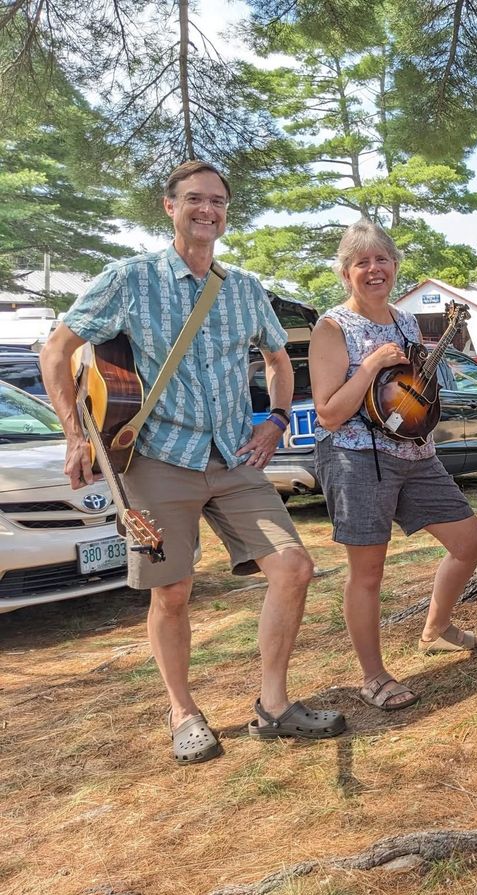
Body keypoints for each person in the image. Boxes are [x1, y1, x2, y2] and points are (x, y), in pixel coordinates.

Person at [40, 160, 345, 765]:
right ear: (170, 207)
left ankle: (274, 707)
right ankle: (183, 712)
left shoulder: (245, 288)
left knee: (294, 567)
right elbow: (57, 349)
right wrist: (76, 434)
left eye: (219, 203)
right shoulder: (129, 279)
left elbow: (280, 360)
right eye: (196, 200)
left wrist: (276, 422)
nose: (208, 211)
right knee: (173, 591)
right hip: (156, 459)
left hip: (234, 458)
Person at [309, 219, 477, 713]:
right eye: (361, 262)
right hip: (356, 458)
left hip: (415, 453)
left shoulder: (406, 322)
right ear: (346, 273)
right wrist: (368, 367)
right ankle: (373, 676)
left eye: (381, 259)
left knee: (469, 541)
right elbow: (327, 412)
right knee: (368, 572)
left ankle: (438, 625)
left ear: (395, 266)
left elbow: (410, 386)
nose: (373, 269)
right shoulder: (331, 328)